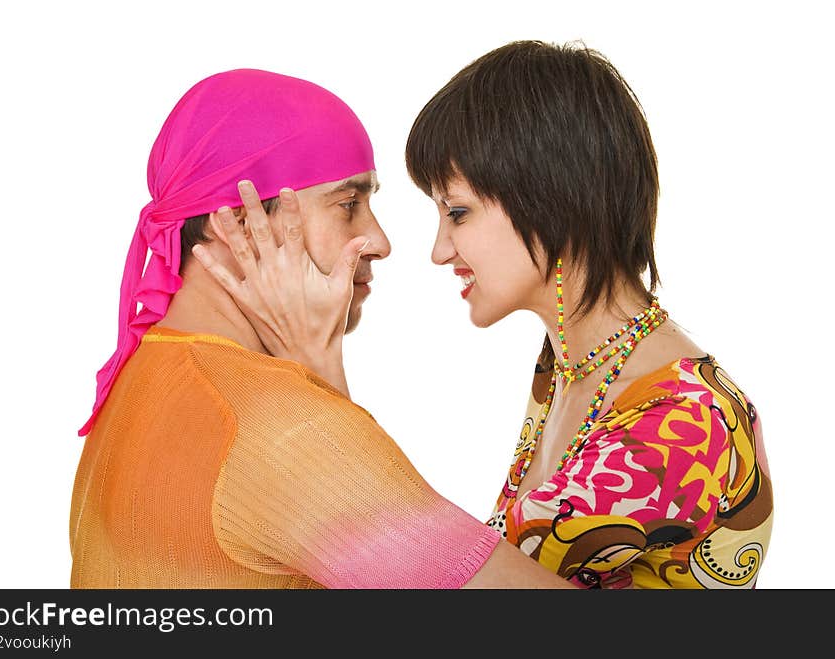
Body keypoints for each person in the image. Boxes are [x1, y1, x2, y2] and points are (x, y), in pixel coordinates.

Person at [196, 41, 774, 588]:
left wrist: (316, 370)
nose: (439, 249)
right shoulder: (571, 363)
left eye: (459, 212)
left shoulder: (687, 424)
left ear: (552, 201)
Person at [70, 67, 568, 589]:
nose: (379, 240)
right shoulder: (270, 427)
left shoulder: (150, 372)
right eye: (349, 205)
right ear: (240, 223)